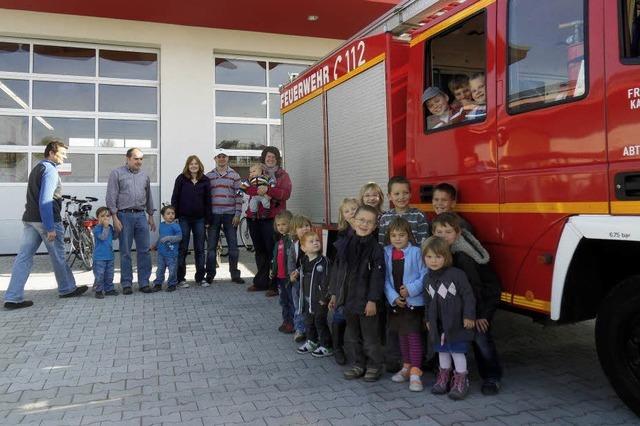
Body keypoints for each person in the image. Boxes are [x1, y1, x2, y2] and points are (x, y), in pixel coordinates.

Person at [4, 138, 88, 309]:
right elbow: (45, 200)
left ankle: (12, 297)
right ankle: (67, 289)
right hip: (46, 221)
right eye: (62, 154)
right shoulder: (50, 171)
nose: (65, 158)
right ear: (51, 153)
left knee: (23, 257)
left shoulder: (37, 168)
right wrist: (50, 227)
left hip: (30, 220)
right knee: (58, 256)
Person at [432, 213, 503, 395]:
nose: (443, 236)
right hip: (461, 303)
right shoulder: (439, 252)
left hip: (482, 301)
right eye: (439, 232)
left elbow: (475, 288)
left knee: (480, 338)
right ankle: (451, 375)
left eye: (448, 232)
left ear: (457, 234)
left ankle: (492, 377)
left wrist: (479, 315)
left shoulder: (463, 256)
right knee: (451, 337)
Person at [329, 205, 385, 382]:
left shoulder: (376, 249)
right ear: (353, 221)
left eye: (369, 222)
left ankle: (374, 366)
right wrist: (334, 294)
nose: (364, 224)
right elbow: (338, 272)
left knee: (370, 338)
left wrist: (372, 300)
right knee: (353, 336)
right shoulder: (344, 245)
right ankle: (359, 364)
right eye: (361, 220)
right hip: (348, 300)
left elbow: (378, 277)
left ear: (375, 226)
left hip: (366, 302)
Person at [423, 236, 476, 400]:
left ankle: (461, 380)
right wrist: (427, 319)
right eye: (429, 257)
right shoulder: (427, 278)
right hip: (438, 325)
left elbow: (468, 296)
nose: (433, 261)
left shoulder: (456, 275)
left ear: (446, 257)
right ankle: (443, 378)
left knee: (457, 351)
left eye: (438, 257)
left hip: (456, 323)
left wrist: (469, 315)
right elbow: (427, 301)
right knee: (442, 352)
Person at [383, 218, 428, 392]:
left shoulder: (416, 252)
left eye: (401, 235)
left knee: (413, 336)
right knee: (402, 335)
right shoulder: (387, 252)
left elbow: (425, 274)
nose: (397, 239)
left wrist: (410, 289)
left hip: (413, 303)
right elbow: (385, 280)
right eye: (394, 235)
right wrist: (394, 297)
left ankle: (416, 371)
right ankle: (407, 366)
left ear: (409, 235)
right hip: (396, 304)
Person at [106, 147, 156, 295]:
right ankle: (127, 284)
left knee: (144, 251)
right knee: (125, 252)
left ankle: (144, 283)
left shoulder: (145, 176)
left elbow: (149, 197)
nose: (139, 161)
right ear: (127, 158)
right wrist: (114, 217)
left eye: (141, 159)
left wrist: (151, 215)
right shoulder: (117, 174)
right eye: (136, 158)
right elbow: (111, 196)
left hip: (141, 216)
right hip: (123, 216)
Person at [245, 147, 292, 295]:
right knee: (259, 251)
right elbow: (247, 188)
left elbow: (285, 194)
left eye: (273, 156)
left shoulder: (282, 175)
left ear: (277, 159)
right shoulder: (256, 171)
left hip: (272, 219)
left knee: (273, 252)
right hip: (254, 218)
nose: (270, 159)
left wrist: (268, 190)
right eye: (267, 156)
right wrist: (258, 191)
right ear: (263, 158)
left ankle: (274, 284)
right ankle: (261, 282)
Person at [205, 148, 244, 285]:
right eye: (219, 156)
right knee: (211, 248)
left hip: (230, 215)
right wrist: (207, 217)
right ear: (215, 159)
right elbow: (205, 198)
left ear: (228, 158)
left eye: (224, 156)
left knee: (233, 247)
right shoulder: (209, 176)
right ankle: (210, 275)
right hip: (214, 215)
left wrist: (238, 214)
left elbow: (239, 196)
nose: (221, 159)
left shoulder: (235, 175)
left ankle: (235, 274)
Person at [171, 155, 211, 288]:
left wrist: (207, 219)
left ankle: (201, 278)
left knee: (200, 249)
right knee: (182, 248)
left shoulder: (205, 180)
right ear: (187, 166)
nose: (193, 166)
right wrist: (174, 216)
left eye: (196, 164)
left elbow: (208, 202)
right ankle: (180, 278)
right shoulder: (181, 179)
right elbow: (175, 197)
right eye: (191, 164)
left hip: (199, 219)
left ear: (199, 165)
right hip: (183, 218)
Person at [330, 197, 359, 365]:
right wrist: (333, 292)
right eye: (347, 211)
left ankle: (355, 349)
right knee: (339, 314)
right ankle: (337, 347)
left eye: (354, 209)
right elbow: (337, 265)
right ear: (343, 215)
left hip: (357, 283)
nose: (351, 213)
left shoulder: (367, 230)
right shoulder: (341, 234)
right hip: (343, 284)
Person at [295, 231, 333, 358]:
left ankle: (327, 345)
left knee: (320, 321)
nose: (316, 243)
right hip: (307, 298)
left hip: (319, 299)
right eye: (311, 241)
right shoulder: (304, 260)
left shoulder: (324, 261)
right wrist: (295, 274)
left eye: (317, 240)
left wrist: (324, 297)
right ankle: (312, 341)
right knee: (309, 321)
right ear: (303, 248)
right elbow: (302, 273)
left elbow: (328, 280)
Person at [378, 176, 430, 245]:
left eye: (405, 193)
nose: (401, 197)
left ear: (410, 194)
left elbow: (424, 243)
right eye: (397, 194)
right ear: (389, 196)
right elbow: (382, 244)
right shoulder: (385, 218)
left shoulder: (419, 215)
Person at [287, 214, 312, 342]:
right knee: (299, 306)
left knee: (311, 306)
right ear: (294, 230)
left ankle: (313, 330)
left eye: (307, 226)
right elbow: (291, 261)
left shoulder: (314, 242)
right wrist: (292, 274)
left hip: (312, 281)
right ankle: (300, 329)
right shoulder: (294, 246)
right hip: (297, 282)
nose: (305, 229)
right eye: (300, 227)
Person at [270, 210, 294, 334]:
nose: (281, 227)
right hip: (280, 278)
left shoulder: (291, 241)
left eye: (284, 224)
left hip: (289, 278)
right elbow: (275, 260)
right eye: (278, 225)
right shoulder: (279, 242)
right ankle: (286, 321)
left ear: (291, 223)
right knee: (283, 301)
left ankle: (293, 323)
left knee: (291, 301)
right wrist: (273, 272)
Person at [152, 205, 182, 292]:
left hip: (172, 254)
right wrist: (155, 245)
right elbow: (161, 237)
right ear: (163, 216)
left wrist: (169, 238)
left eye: (173, 213)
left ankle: (172, 284)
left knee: (172, 270)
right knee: (160, 269)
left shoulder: (176, 226)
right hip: (161, 253)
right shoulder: (162, 225)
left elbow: (179, 237)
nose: (171, 215)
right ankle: (158, 283)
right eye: (168, 213)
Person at [93, 207, 118, 299]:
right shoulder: (97, 229)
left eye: (107, 216)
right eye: (102, 216)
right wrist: (106, 227)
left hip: (110, 256)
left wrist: (117, 228)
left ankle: (109, 289)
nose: (105, 218)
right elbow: (103, 237)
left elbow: (114, 237)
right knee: (99, 275)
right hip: (99, 257)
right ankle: (98, 290)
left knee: (109, 274)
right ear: (97, 218)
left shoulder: (110, 227)